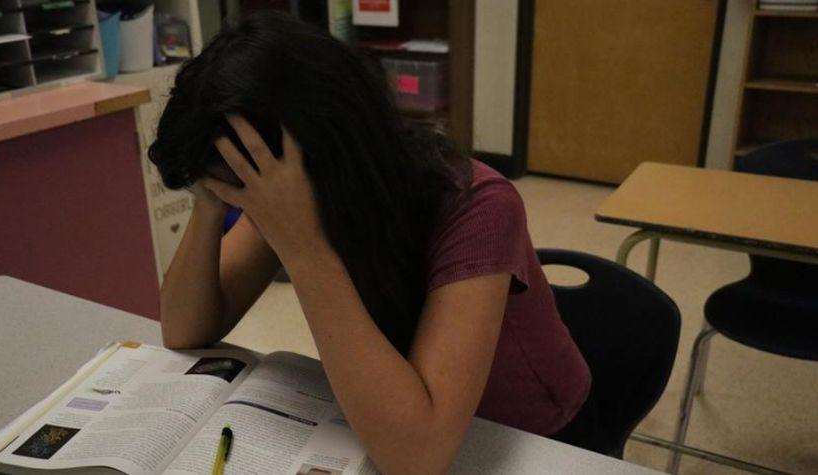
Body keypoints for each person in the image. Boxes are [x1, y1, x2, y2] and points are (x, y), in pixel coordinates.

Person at [149, 12, 593, 474]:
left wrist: (304, 249)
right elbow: (185, 330)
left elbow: (417, 456)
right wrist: (209, 203)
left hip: (533, 437)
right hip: (402, 412)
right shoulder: (293, 191)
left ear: (318, 154)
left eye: (237, 184)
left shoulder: (478, 205)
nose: (240, 199)